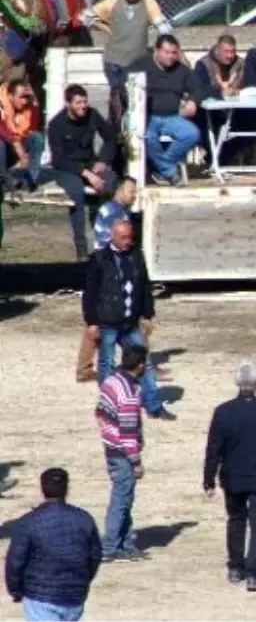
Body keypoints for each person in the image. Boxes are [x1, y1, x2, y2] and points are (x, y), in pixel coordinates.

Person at [203, 359, 256, 592]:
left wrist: (208, 479)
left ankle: (236, 566)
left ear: (237, 383)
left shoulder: (223, 411)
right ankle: (253, 572)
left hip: (233, 476)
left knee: (235, 520)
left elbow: (213, 449)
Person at [83, 219, 171, 420]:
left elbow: (145, 287)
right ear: (112, 236)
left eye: (129, 237)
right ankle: (109, 404)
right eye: (123, 237)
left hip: (130, 322)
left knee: (144, 362)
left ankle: (154, 405)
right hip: (107, 321)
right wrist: (91, 322)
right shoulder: (99, 259)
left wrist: (147, 315)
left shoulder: (135, 256)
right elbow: (90, 293)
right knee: (107, 364)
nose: (127, 241)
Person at [4, 468, 102, 622]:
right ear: (67, 488)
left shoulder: (28, 522)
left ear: (42, 488)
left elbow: (15, 562)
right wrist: (82, 580)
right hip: (74, 595)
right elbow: (95, 555)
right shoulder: (84, 519)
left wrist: (15, 590)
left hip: (40, 597)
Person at [79, 0, 173, 115]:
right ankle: (116, 130)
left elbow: (163, 27)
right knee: (116, 94)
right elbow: (84, 17)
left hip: (136, 60)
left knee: (135, 96)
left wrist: (161, 48)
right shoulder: (112, 3)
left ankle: (132, 130)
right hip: (113, 59)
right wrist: (104, 27)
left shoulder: (147, 2)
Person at [73, 177, 139, 384]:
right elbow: (107, 245)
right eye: (131, 191)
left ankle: (139, 363)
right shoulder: (111, 212)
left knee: (118, 320)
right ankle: (138, 364)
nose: (134, 195)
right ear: (119, 190)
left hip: (112, 268)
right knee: (103, 321)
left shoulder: (121, 211)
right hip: (106, 271)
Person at [47, 84, 118, 261]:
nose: (83, 106)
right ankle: (81, 246)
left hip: (90, 162)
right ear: (68, 103)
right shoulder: (56, 124)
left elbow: (110, 138)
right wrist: (85, 173)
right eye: (78, 102)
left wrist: (103, 160)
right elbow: (58, 159)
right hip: (68, 168)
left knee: (112, 183)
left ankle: (108, 238)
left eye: (85, 102)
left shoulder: (92, 115)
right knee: (76, 194)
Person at [95, 343, 152, 562]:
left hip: (111, 447)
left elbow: (100, 413)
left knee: (124, 497)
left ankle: (125, 542)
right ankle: (110, 546)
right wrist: (136, 461)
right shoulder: (129, 393)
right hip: (123, 453)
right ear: (139, 365)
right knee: (121, 499)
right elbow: (128, 431)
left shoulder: (110, 381)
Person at [127, 35, 204, 187]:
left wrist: (193, 101)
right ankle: (169, 172)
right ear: (157, 50)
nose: (170, 56)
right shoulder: (140, 65)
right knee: (147, 136)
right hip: (148, 117)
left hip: (172, 116)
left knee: (191, 133)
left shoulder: (181, 70)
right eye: (166, 52)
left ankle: (162, 169)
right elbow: (125, 85)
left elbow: (199, 88)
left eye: (174, 53)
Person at [0, 78, 44, 193]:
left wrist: (34, 103)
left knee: (37, 138)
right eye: (21, 97)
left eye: (26, 98)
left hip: (13, 150)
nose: (25, 101)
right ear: (10, 96)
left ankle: (29, 180)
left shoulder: (26, 107)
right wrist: (15, 142)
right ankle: (4, 180)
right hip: (4, 148)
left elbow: (33, 126)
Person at [194, 34, 244, 99]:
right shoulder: (203, 64)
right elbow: (199, 88)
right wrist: (220, 93)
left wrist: (235, 91)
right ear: (217, 50)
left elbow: (249, 86)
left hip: (238, 104)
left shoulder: (242, 64)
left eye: (233, 51)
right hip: (211, 106)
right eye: (226, 51)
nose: (230, 56)